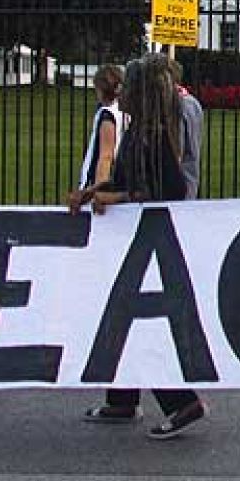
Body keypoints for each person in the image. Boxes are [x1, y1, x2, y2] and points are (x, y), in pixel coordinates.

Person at [68, 55, 208, 440]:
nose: (121, 92)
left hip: (150, 240)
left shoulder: (155, 135)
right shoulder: (140, 130)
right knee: (120, 317)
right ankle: (122, 397)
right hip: (136, 237)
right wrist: (92, 192)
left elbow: (168, 189)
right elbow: (124, 178)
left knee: (134, 321)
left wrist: (118, 197)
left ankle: (181, 402)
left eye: (128, 86)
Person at [79, 64, 125, 190]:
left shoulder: (108, 115)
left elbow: (106, 156)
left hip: (100, 180)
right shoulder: (125, 111)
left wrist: (97, 189)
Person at [166, 55, 203, 199]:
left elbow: (176, 153)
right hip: (191, 177)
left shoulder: (177, 106)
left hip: (178, 184)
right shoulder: (192, 102)